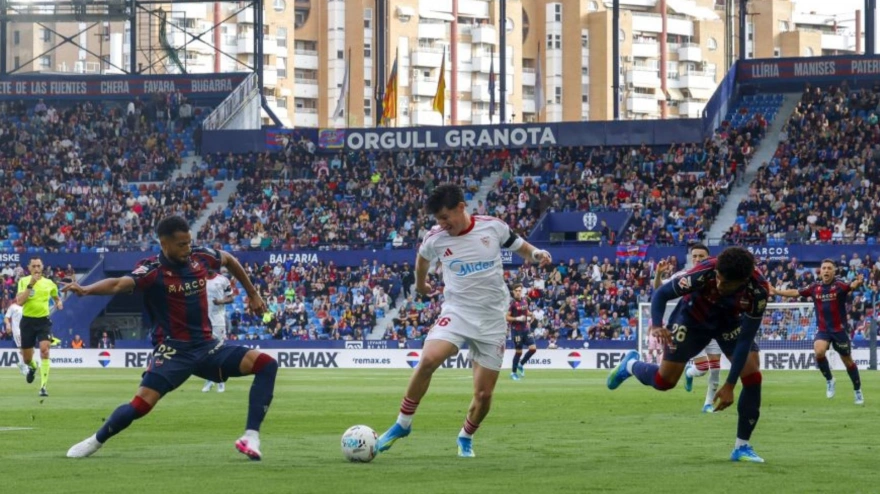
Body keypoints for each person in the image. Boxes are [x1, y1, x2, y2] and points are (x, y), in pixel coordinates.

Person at [63, 216, 276, 460]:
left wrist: (253, 294)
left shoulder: (200, 257)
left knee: (267, 364)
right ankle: (95, 440)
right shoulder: (152, 271)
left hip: (208, 347)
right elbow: (118, 284)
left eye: (189, 242)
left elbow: (228, 259)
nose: (188, 249)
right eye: (182, 245)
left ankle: (251, 435)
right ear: (164, 244)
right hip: (174, 351)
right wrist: (86, 289)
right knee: (140, 405)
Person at [375, 184, 552, 458]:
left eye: (446, 217)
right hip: (457, 311)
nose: (443, 224)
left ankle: (466, 435)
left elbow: (523, 248)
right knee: (428, 359)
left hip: (492, 319)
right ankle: (402, 424)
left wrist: (538, 254)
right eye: (438, 220)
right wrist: (421, 285)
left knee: (483, 396)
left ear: (461, 207)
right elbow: (421, 259)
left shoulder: (493, 227)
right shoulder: (435, 238)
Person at [607, 246, 769, 463]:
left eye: (726, 283)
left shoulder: (758, 290)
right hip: (691, 320)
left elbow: (745, 340)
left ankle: (742, 446)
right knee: (664, 381)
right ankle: (631, 365)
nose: (719, 284)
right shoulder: (704, 272)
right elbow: (662, 294)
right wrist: (656, 325)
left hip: (730, 324)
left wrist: (730, 384)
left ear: (743, 280)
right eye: (718, 278)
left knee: (753, 376)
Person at [771, 259, 864, 405]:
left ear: (834, 271)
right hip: (823, 330)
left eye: (829, 268)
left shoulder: (840, 285)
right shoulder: (815, 287)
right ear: (820, 271)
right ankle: (829, 379)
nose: (826, 270)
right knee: (819, 351)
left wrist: (858, 282)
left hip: (839, 330)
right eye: (824, 268)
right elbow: (796, 292)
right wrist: (777, 291)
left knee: (848, 361)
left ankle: (857, 390)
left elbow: (852, 286)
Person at [653, 243, 721, 412]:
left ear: (709, 258)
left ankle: (708, 404)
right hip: (689, 328)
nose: (697, 259)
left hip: (712, 327)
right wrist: (658, 274)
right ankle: (690, 373)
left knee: (715, 369)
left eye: (701, 256)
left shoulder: (716, 275)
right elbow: (660, 291)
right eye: (695, 256)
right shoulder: (683, 275)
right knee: (703, 368)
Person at [15, 257, 63, 397]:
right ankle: (33, 367)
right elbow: (20, 302)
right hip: (28, 322)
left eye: (38, 266)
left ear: (42, 267)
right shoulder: (23, 281)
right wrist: (31, 284)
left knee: (44, 350)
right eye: (33, 266)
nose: (36, 268)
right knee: (27, 359)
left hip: (43, 321)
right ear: (29, 268)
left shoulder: (49, 283)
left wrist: (59, 304)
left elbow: (56, 297)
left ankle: (43, 387)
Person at [202, 268, 235, 393]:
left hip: (217, 320)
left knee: (219, 351)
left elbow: (231, 298)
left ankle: (221, 382)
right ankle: (209, 380)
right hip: (203, 320)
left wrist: (220, 301)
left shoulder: (223, 280)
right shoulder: (200, 279)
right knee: (206, 352)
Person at [507, 283, 535, 381]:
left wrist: (531, 314)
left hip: (525, 329)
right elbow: (507, 317)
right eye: (517, 291)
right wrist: (517, 318)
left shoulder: (524, 301)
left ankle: (521, 364)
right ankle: (513, 373)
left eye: (520, 290)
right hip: (516, 330)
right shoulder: (512, 303)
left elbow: (525, 312)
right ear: (513, 292)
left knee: (533, 349)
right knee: (519, 352)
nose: (518, 292)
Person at [4, 300, 31, 376]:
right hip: (17, 331)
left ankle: (22, 364)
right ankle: (24, 367)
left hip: (27, 331)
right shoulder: (13, 307)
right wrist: (8, 325)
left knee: (28, 350)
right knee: (23, 349)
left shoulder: (27, 306)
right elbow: (6, 318)